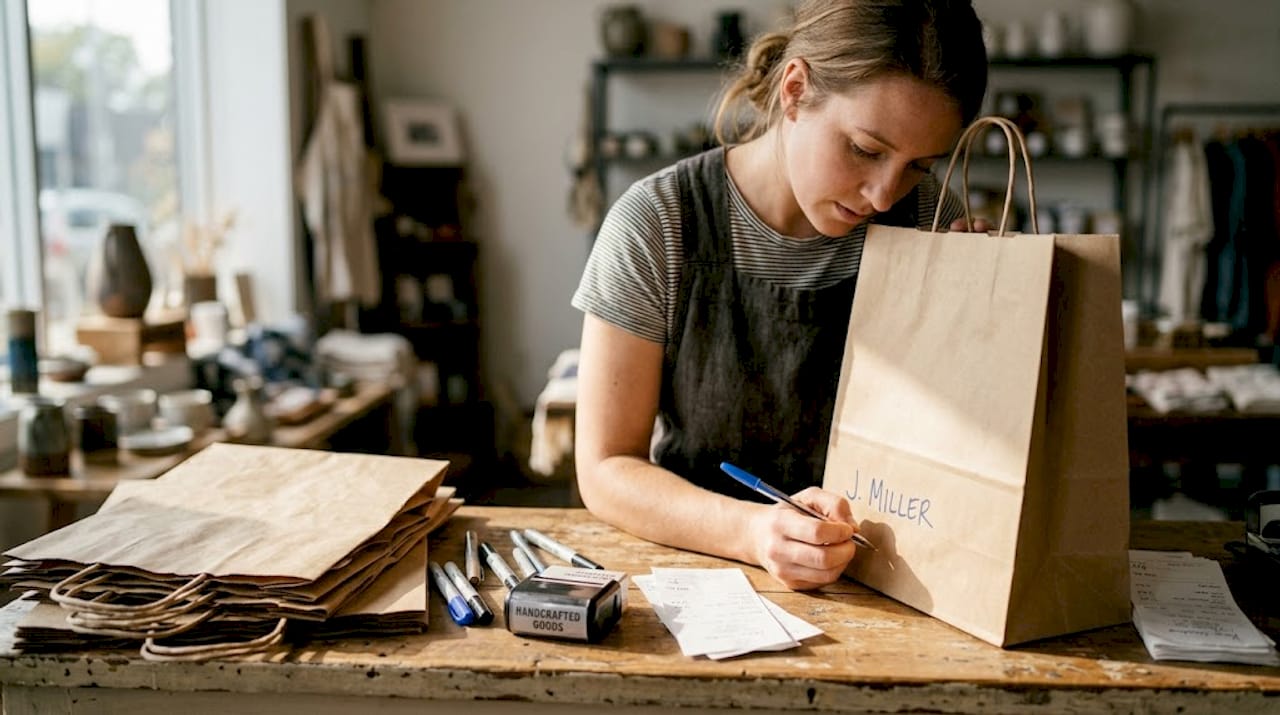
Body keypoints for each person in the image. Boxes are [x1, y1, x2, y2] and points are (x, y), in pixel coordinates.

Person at [572, 0, 989, 590]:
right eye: (866, 150)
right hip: (702, 579)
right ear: (795, 90)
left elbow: (961, 449)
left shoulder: (930, 220)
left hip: (886, 582)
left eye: (918, 166)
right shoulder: (659, 221)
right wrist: (753, 532)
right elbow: (606, 467)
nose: (882, 194)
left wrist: (986, 319)